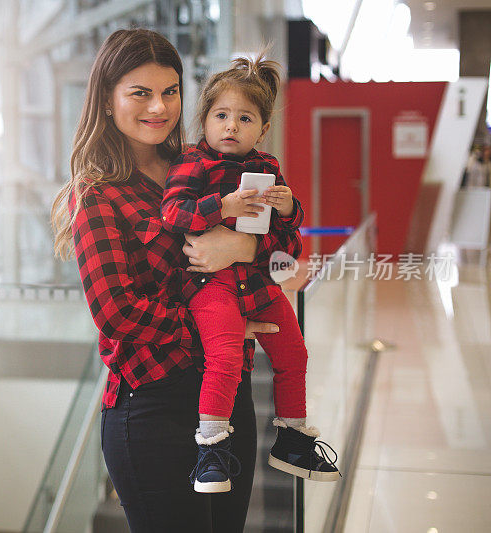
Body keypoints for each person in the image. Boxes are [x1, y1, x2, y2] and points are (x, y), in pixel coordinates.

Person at [51, 29, 300, 533]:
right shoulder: (97, 196)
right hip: (152, 407)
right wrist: (214, 325)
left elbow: (288, 249)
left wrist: (245, 246)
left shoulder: (208, 163)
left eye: (170, 91)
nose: (159, 107)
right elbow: (119, 315)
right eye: (140, 93)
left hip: (229, 397)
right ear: (107, 98)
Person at [160, 55, 340, 494]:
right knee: (223, 361)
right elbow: (172, 212)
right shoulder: (193, 163)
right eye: (221, 115)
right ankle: (211, 450)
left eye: (245, 118)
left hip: (257, 284)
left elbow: (289, 237)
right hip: (211, 285)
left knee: (294, 354)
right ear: (204, 120)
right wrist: (220, 208)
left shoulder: (268, 167)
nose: (231, 126)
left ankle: (292, 440)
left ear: (262, 129)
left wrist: (287, 208)